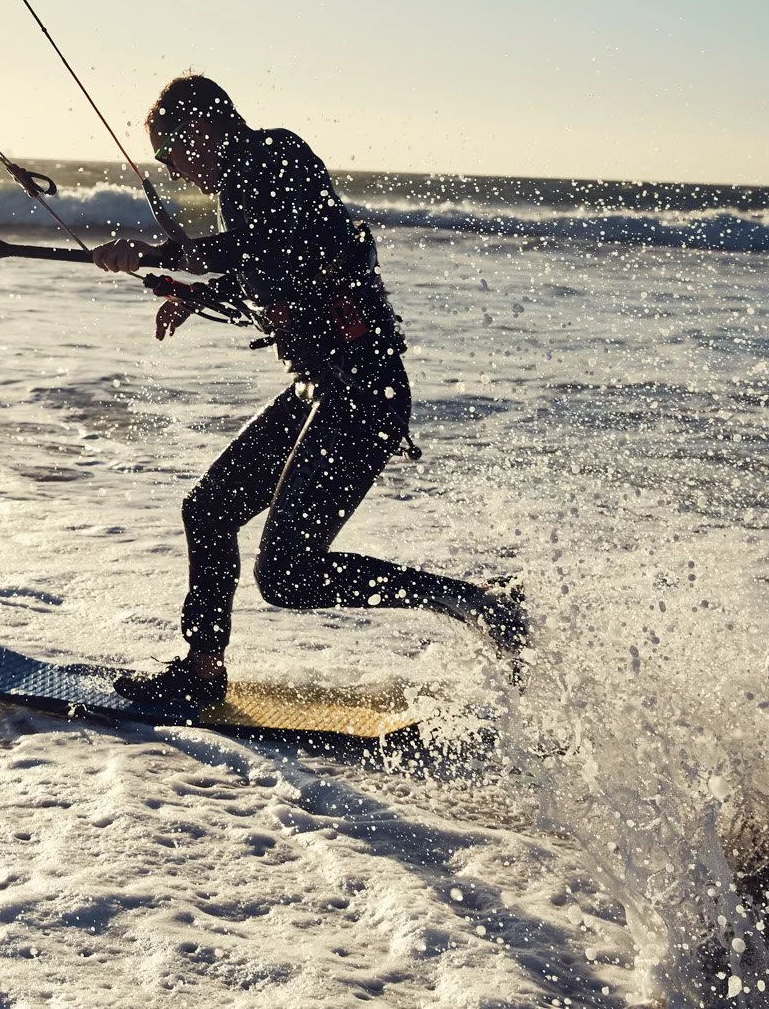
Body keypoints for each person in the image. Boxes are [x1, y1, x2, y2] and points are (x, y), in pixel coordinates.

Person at [91, 74, 526, 708]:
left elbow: (280, 247)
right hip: (322, 386)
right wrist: (196, 293)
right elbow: (277, 275)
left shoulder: (271, 155)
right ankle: (202, 669)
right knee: (208, 510)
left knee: (288, 576)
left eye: (169, 152)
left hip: (360, 393)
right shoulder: (246, 183)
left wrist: (164, 253)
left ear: (203, 128)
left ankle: (476, 602)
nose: (170, 168)